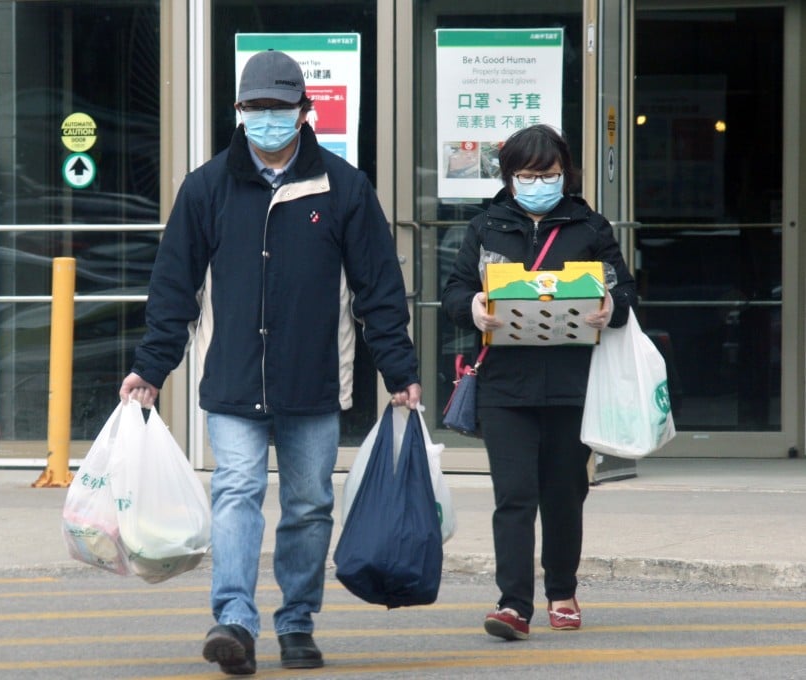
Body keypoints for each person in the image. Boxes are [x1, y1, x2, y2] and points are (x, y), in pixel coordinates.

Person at [119, 49, 421, 675]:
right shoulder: (207, 187)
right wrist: (152, 367)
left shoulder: (343, 187)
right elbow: (174, 284)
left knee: (310, 504)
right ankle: (233, 620)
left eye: (278, 109)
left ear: (304, 112)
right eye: (254, 109)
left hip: (311, 381)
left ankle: (297, 622)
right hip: (233, 378)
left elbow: (379, 287)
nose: (266, 120)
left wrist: (399, 371)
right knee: (237, 492)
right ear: (238, 112)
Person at [440, 124, 636, 641]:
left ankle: (563, 590)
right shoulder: (486, 226)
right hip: (506, 386)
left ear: (564, 175)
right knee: (514, 495)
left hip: (573, 384)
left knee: (564, 492)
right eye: (526, 175)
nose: (537, 183)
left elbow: (625, 290)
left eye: (547, 175)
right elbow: (455, 291)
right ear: (509, 177)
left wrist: (609, 306)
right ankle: (513, 605)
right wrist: (473, 307)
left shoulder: (589, 226)